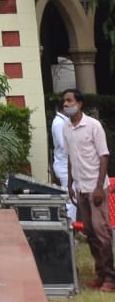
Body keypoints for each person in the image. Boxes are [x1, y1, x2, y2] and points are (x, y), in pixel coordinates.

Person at [62, 87, 115, 292]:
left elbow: (104, 155)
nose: (66, 105)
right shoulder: (66, 127)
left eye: (69, 101)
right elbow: (69, 157)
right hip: (80, 187)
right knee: (90, 233)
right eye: (64, 102)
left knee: (102, 233)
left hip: (96, 188)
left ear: (79, 103)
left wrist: (100, 187)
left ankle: (111, 277)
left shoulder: (93, 126)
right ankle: (100, 274)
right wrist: (69, 184)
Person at [51, 104, 77, 221]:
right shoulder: (59, 123)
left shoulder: (65, 121)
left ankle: (71, 227)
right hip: (64, 166)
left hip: (68, 165)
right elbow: (65, 145)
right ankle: (70, 228)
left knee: (73, 198)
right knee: (71, 199)